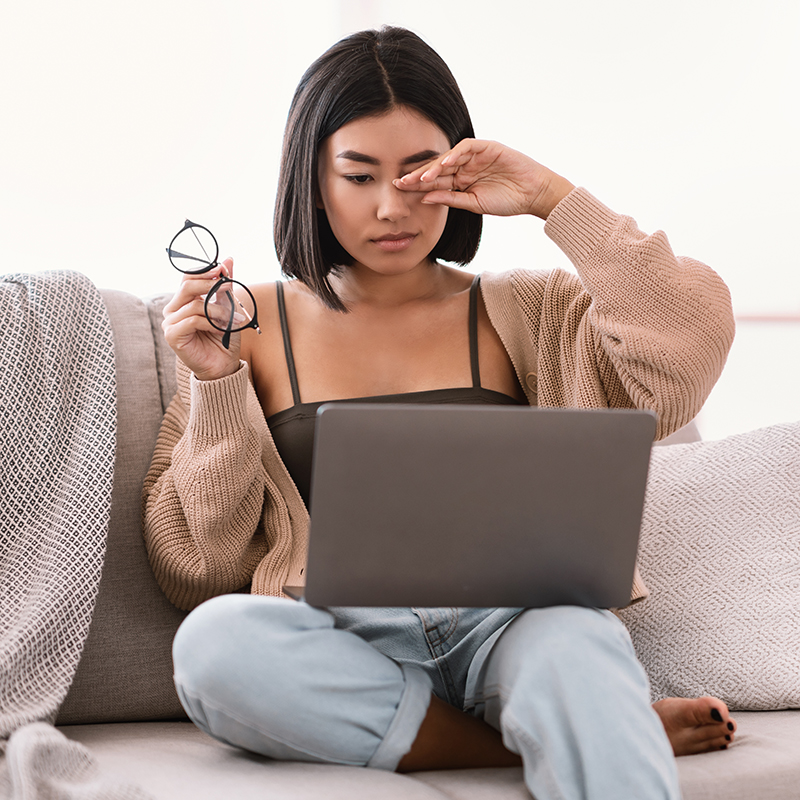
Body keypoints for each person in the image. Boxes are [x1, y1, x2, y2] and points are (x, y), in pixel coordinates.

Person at [143, 26, 737, 800]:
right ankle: (565, 732)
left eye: (418, 172)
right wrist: (218, 385)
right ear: (312, 182)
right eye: (358, 177)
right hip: (344, 640)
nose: (393, 208)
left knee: (577, 649)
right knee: (214, 647)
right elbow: (196, 568)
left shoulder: (528, 307)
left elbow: (687, 344)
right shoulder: (245, 323)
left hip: (520, 628)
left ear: (455, 165)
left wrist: (556, 201)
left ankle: (575, 713)